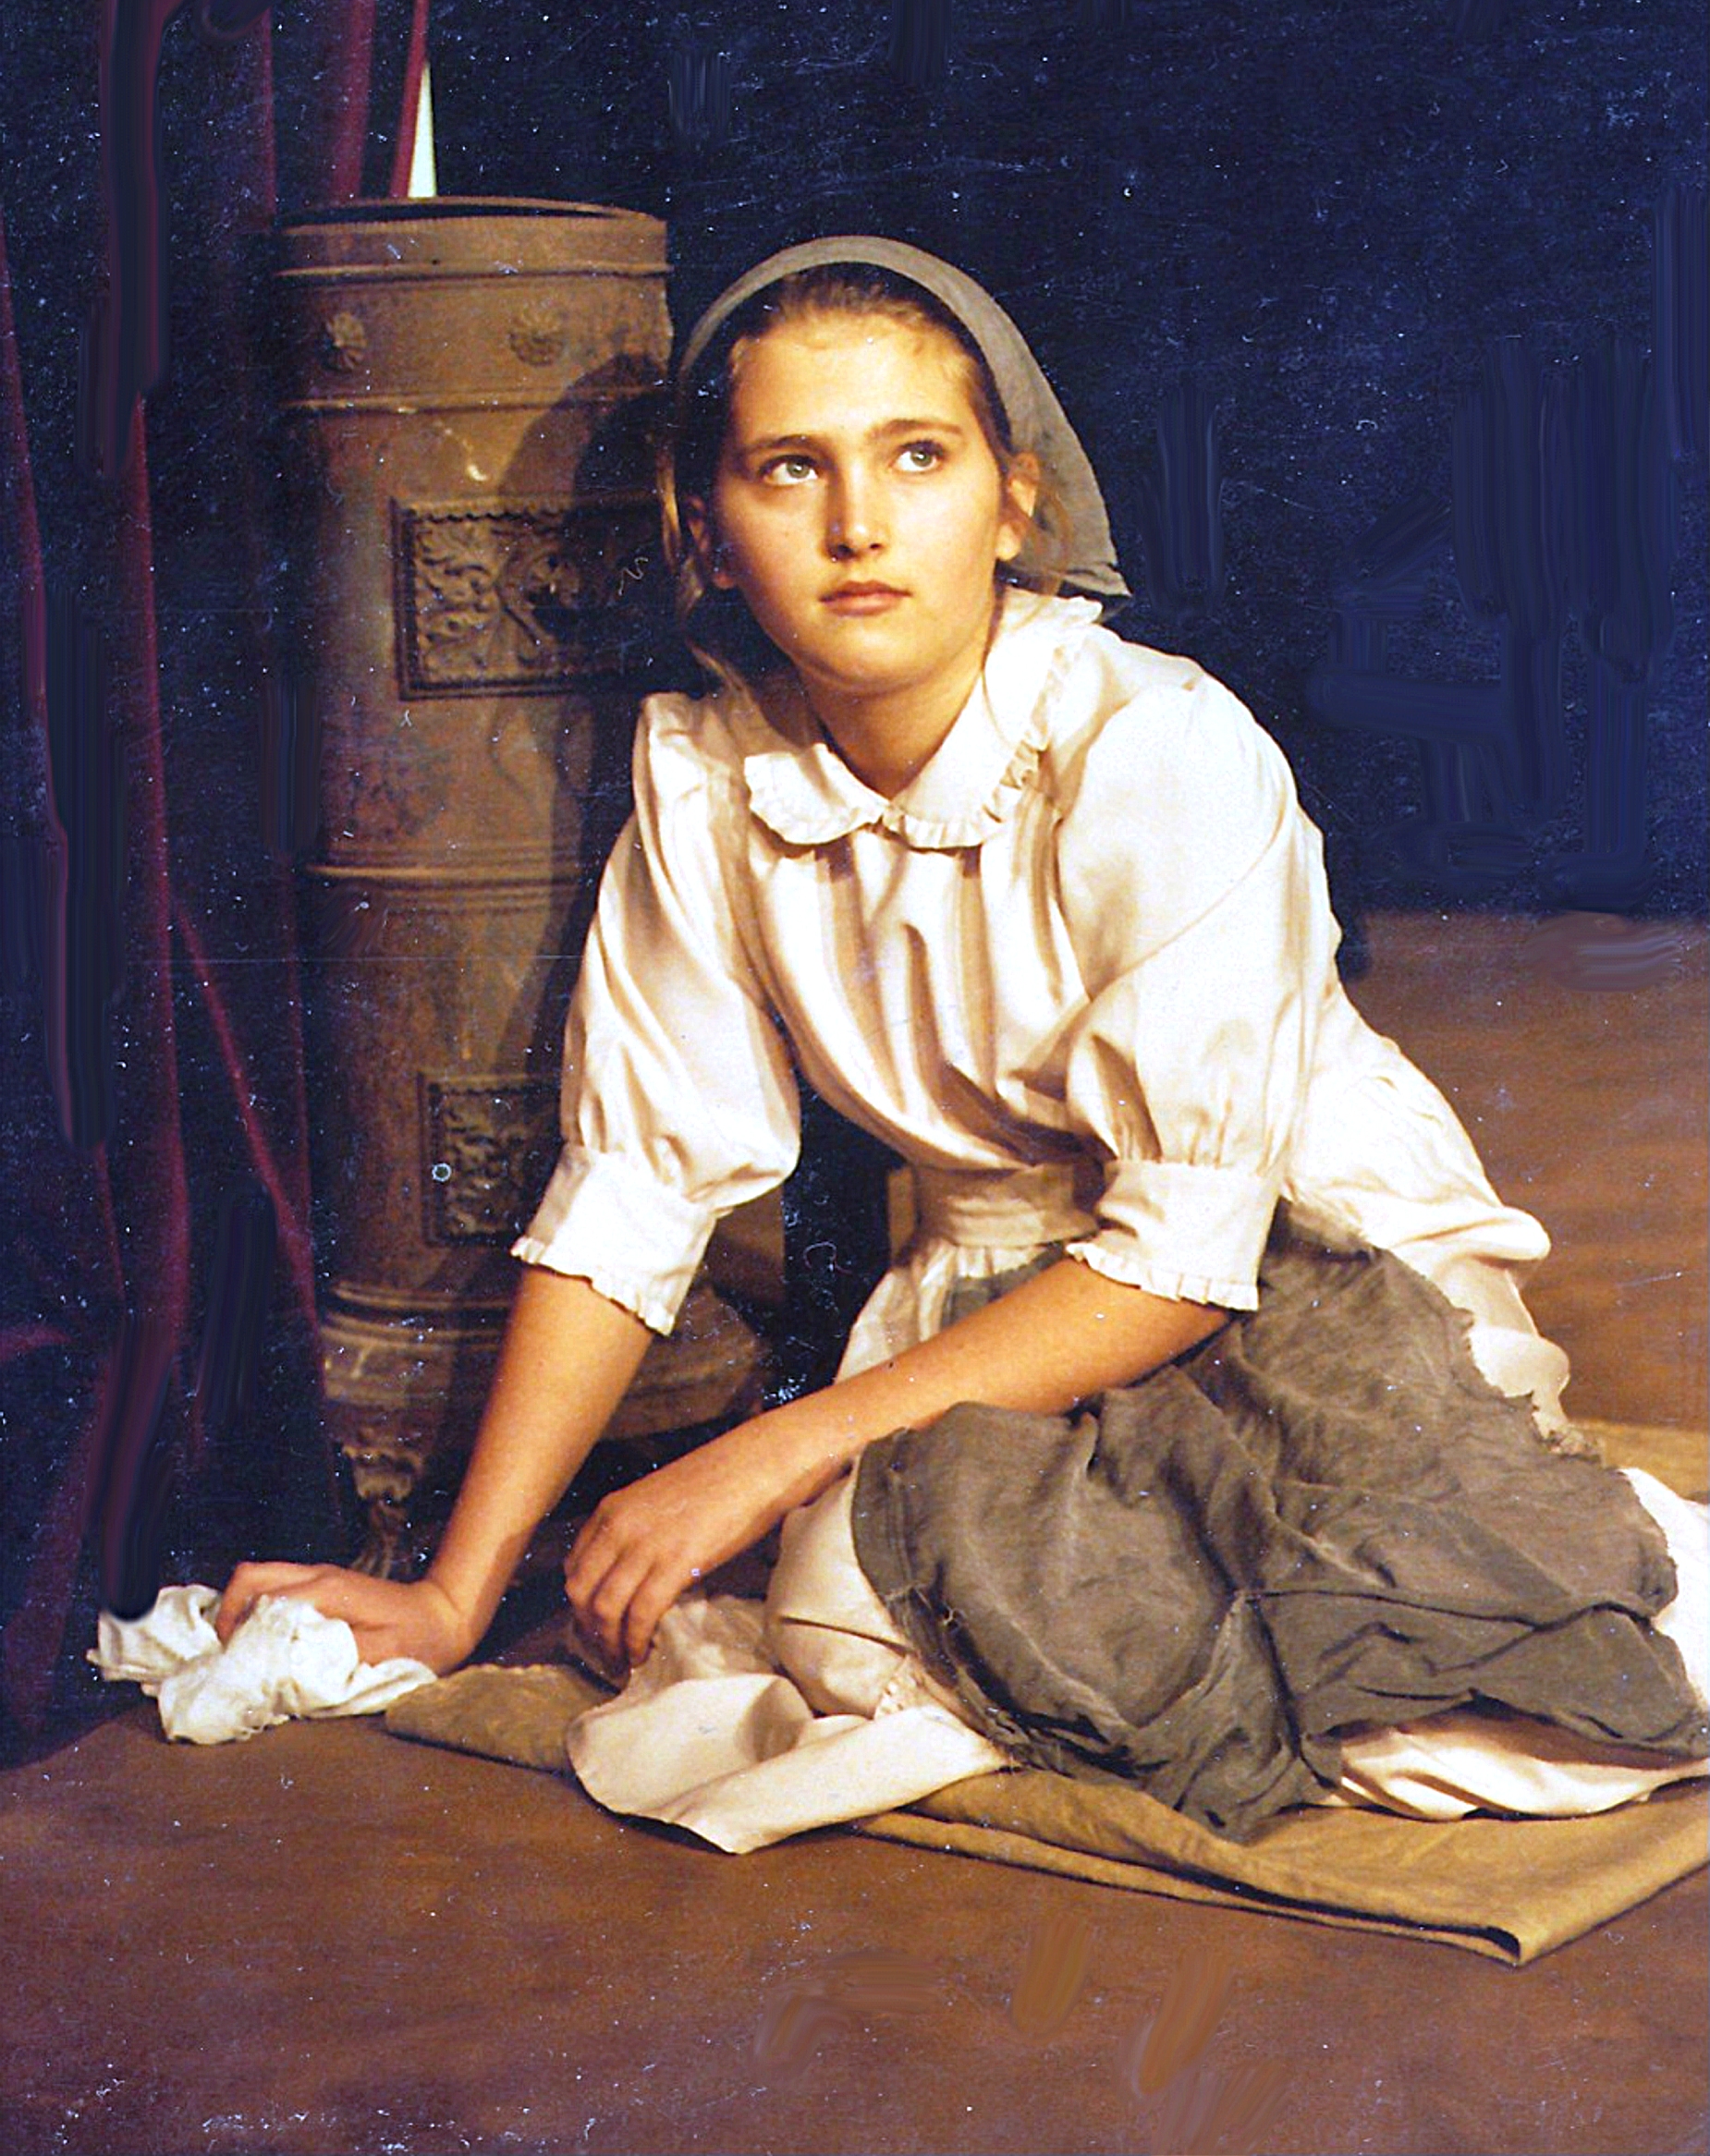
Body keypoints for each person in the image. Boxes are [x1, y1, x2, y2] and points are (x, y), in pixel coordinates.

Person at [219, 238, 1707, 1851]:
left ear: (1012, 504)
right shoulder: (712, 779)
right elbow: (636, 1184)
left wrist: (767, 1451)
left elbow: (1181, 1254)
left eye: (916, 457)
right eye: (791, 468)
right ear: (707, 529)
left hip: (1295, 1261)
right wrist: (453, 1592)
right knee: (850, 1628)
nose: (857, 525)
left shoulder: (1152, 746)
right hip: (994, 1298)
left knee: (1453, 1687)